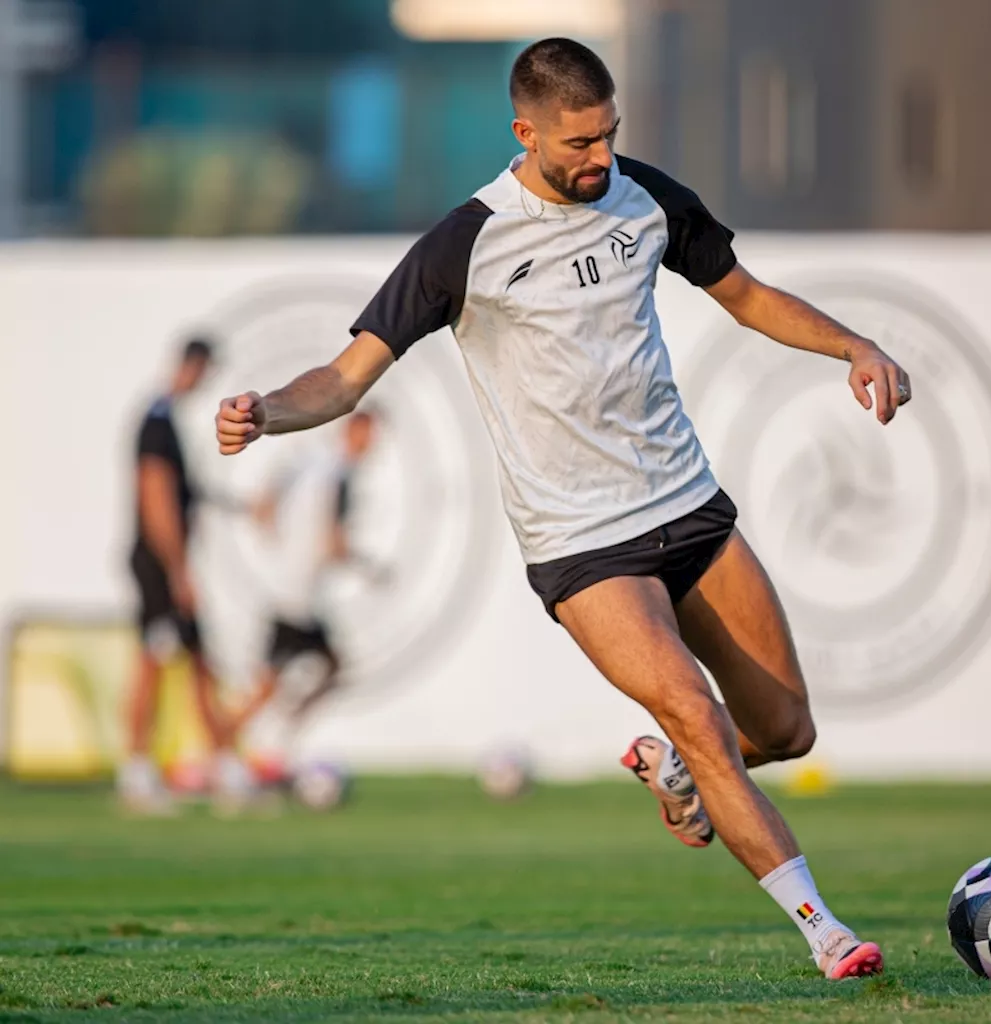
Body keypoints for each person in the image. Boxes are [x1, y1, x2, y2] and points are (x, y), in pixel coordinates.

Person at [214, 38, 910, 979]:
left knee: (786, 731)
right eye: (580, 142)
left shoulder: (646, 195)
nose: (600, 158)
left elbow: (745, 298)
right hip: (583, 546)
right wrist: (266, 412)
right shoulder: (466, 243)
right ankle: (825, 932)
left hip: (689, 506)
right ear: (525, 132)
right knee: (700, 718)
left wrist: (853, 346)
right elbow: (345, 378)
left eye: (610, 135)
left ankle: (674, 770)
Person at [122, 336, 255, 813]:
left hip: (168, 564)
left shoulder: (167, 419)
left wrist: (244, 508)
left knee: (200, 662)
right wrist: (178, 572)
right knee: (153, 663)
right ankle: (137, 772)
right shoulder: (156, 421)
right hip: (158, 565)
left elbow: (190, 493)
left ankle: (225, 767)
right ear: (191, 366)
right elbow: (156, 500)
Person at [228, 409, 387, 754]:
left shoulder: (315, 461)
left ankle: (267, 740)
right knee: (274, 683)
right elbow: (335, 543)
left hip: (292, 591)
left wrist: (271, 523)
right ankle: (228, 745)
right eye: (371, 435)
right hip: (296, 597)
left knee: (322, 667)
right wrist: (369, 569)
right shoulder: (340, 475)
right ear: (355, 432)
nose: (374, 445)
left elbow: (266, 499)